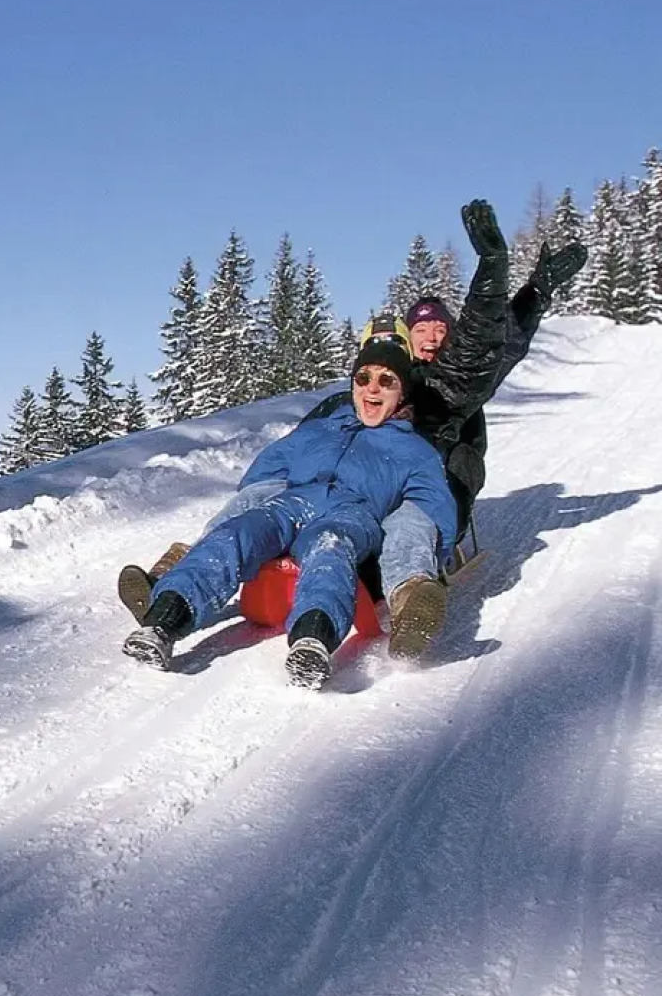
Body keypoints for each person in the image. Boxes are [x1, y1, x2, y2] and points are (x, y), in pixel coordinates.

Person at [119, 200, 587, 660]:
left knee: (404, 524)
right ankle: (177, 577)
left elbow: (486, 347)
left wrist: (519, 287)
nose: (432, 337)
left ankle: (409, 595)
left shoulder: (442, 392)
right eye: (419, 331)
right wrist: (270, 484)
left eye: (441, 329)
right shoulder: (346, 404)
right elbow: (299, 447)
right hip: (325, 493)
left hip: (408, 489)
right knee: (251, 504)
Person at [122, 320, 458, 689]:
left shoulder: (414, 449)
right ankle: (163, 623)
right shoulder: (319, 430)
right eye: (363, 378)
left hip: (353, 513)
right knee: (238, 533)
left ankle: (312, 640)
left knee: (329, 548)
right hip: (292, 503)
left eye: (386, 381)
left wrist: (434, 555)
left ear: (402, 393)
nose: (372, 388)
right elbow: (270, 467)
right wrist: (253, 502)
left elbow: (430, 504)